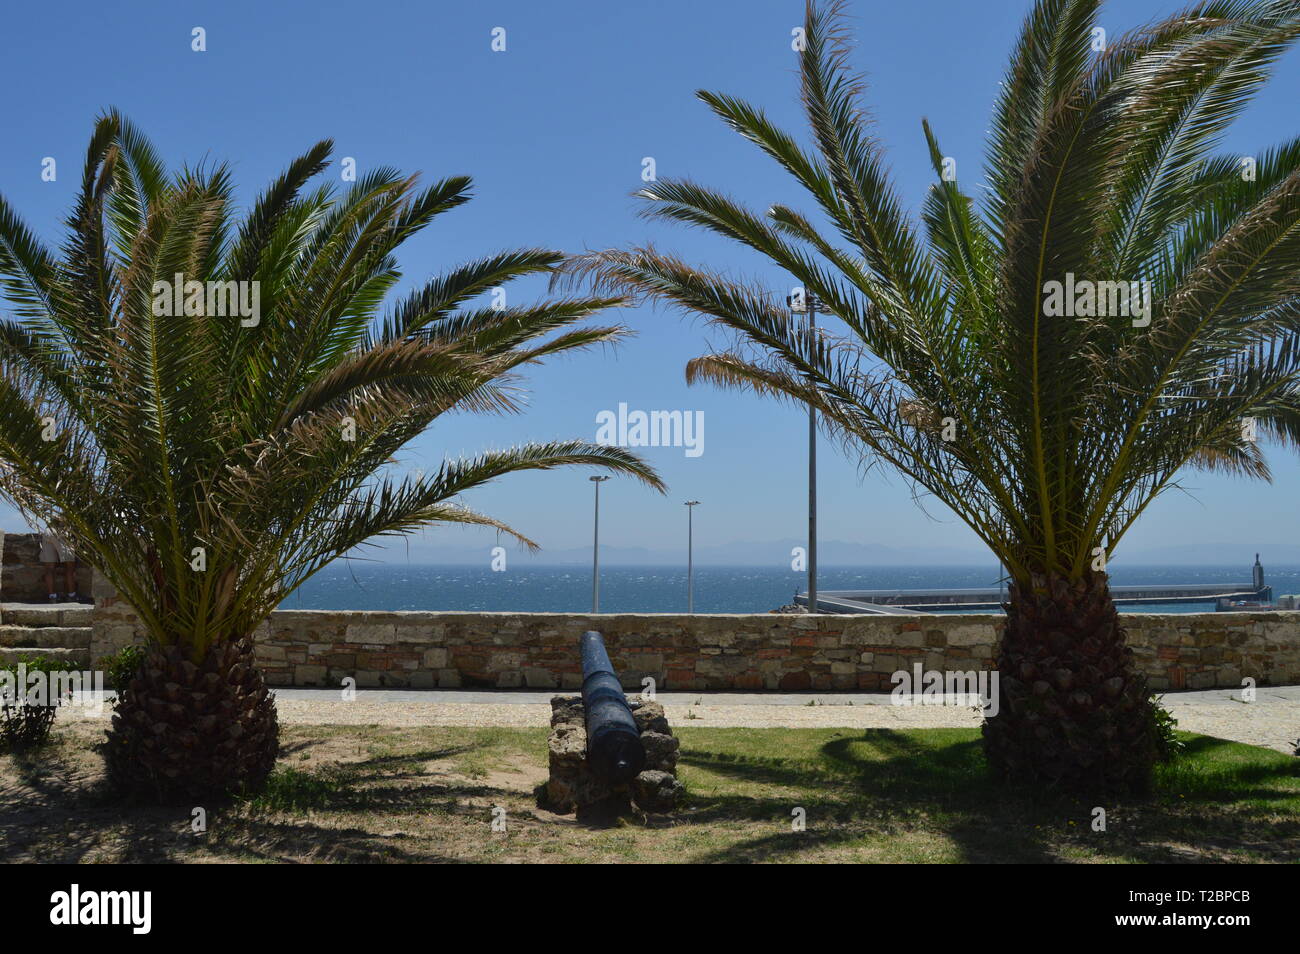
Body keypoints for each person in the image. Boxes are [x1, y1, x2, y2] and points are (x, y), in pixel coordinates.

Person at [39, 530, 78, 603]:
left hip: (48, 531)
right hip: (63, 531)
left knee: (49, 568)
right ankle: (72, 595)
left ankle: (52, 597)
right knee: (70, 567)